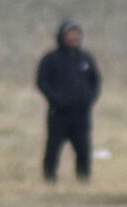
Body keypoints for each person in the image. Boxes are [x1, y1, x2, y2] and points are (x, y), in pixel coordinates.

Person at [36, 20, 102, 183]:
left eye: (76, 34)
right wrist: (56, 99)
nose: (73, 38)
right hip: (58, 114)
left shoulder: (85, 58)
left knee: (83, 148)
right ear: (62, 36)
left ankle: (83, 179)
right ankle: (49, 179)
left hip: (81, 113)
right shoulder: (51, 59)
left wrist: (89, 98)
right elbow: (42, 81)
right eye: (69, 34)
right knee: (53, 148)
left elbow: (96, 80)